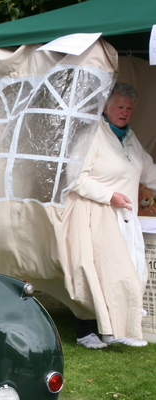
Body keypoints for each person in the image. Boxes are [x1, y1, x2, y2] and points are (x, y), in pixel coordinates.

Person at [68, 82, 156, 349]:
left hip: (125, 219)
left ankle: (118, 328)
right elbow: (75, 178)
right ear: (106, 107)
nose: (125, 112)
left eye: (129, 108)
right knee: (100, 275)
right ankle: (86, 331)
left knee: (129, 273)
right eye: (119, 106)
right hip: (97, 214)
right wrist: (110, 196)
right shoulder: (93, 135)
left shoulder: (129, 137)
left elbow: (148, 171)